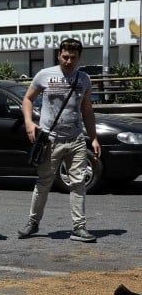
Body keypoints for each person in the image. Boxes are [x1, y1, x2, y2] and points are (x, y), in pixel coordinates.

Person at [18, 38, 101, 242]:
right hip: (51, 139)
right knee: (44, 182)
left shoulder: (84, 79)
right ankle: (33, 223)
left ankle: (79, 227)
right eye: (65, 57)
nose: (68, 61)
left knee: (78, 183)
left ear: (79, 57)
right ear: (59, 55)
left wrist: (94, 138)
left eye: (73, 57)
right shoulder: (45, 75)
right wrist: (29, 122)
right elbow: (27, 99)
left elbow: (87, 110)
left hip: (76, 139)